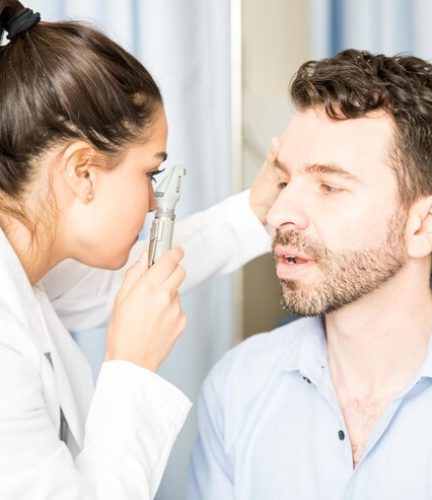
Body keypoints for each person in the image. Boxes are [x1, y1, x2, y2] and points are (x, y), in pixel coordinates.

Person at [187, 49, 432, 500]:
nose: (278, 214)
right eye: (285, 180)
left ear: (425, 224)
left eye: (329, 186)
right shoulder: (236, 387)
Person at [0, 1, 276, 498]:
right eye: (149, 172)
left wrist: (253, 212)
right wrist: (131, 364)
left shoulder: (28, 274)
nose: (154, 202)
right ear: (81, 171)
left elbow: (123, 279)